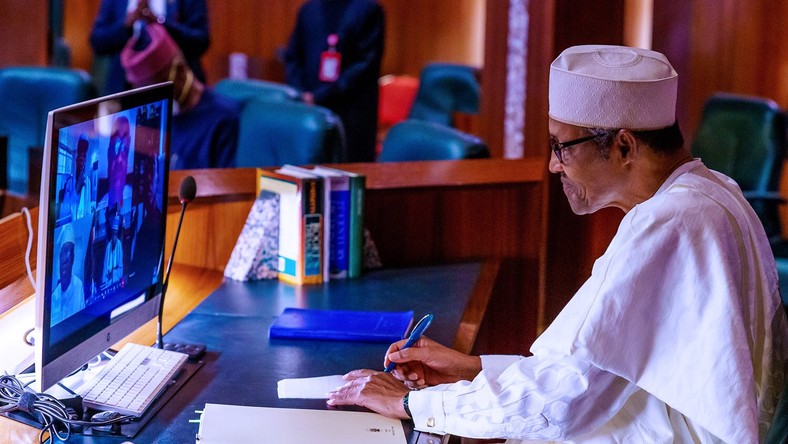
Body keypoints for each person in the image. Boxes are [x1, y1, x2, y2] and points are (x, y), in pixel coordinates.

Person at [327, 45, 788, 442]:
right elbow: (600, 372)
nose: (553, 166)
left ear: (624, 146)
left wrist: (412, 404)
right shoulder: (713, 190)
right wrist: (473, 369)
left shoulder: (669, 222)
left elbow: (567, 399)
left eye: (561, 146)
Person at [120, 22, 239, 169]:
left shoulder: (221, 119)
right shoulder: (152, 123)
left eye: (153, 93)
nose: (151, 104)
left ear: (180, 71)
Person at [283, 0, 385, 163]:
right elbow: (293, 56)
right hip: (309, 108)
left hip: (350, 115)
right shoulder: (309, 9)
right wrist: (301, 93)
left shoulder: (368, 10)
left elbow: (365, 66)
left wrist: (319, 95)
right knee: (309, 169)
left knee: (347, 175)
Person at [90, 0, 210, 96]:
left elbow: (200, 41)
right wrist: (126, 26)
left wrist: (161, 25)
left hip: (177, 92)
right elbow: (97, 43)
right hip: (123, 93)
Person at [51, 223, 85, 324]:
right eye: (65, 251)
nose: (68, 257)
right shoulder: (54, 297)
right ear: (60, 256)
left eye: (71, 252)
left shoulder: (78, 285)